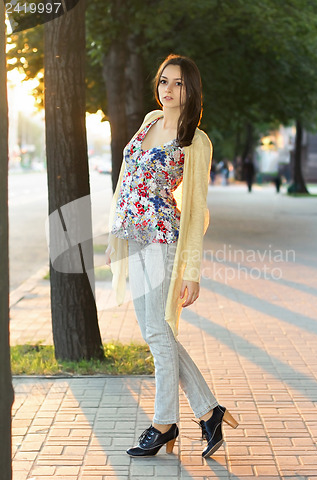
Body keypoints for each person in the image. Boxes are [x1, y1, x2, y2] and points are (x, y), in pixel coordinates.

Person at [105, 54, 238, 459]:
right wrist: (115, 234)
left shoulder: (195, 141)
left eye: (178, 83)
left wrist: (192, 272)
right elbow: (126, 179)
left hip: (163, 241)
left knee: (159, 334)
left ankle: (164, 423)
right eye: (164, 80)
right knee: (157, 334)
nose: (168, 89)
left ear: (191, 89)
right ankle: (210, 412)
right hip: (134, 239)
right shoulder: (149, 121)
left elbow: (196, 208)